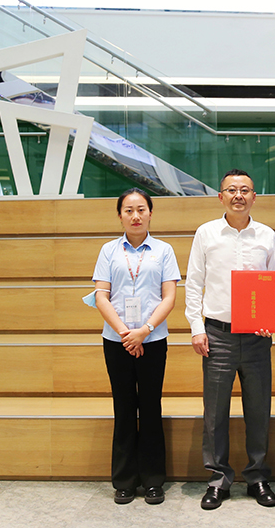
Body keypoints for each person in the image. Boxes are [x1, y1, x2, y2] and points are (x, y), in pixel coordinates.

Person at [185, 169, 275, 510]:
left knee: (258, 409)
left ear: (254, 196)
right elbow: (194, 282)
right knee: (215, 413)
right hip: (218, 335)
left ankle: (257, 477)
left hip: (257, 336)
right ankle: (218, 480)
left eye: (245, 190)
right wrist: (196, 327)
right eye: (231, 190)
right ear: (221, 197)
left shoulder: (266, 235)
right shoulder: (206, 233)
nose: (238, 195)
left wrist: (269, 314)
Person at [90, 188, 180, 505]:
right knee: (124, 408)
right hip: (116, 341)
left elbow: (169, 296)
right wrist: (125, 332)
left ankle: (153, 480)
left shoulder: (164, 250)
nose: (135, 216)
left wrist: (143, 331)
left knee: (151, 408)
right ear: (120, 216)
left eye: (141, 209)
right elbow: (101, 295)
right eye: (128, 210)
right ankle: (125, 481)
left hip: (152, 340)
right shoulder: (108, 251)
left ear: (150, 213)